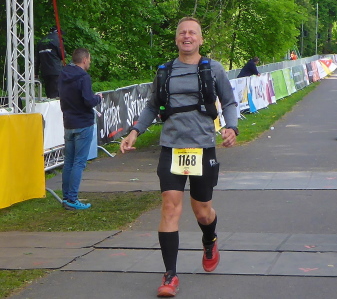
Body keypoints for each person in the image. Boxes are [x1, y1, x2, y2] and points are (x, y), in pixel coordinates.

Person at [119, 17, 239, 298]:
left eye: (192, 33)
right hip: (171, 148)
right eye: (182, 33)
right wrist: (135, 131)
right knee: (170, 208)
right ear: (176, 39)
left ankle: (209, 239)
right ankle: (170, 275)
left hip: (202, 147)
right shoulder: (165, 71)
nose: (187, 36)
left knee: (203, 211)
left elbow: (229, 102)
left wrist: (231, 127)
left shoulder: (213, 69)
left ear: (200, 39)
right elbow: (152, 106)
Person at [59, 48, 102, 211]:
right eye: (89, 59)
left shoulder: (63, 74)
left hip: (69, 122)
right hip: (83, 123)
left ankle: (66, 196)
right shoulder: (84, 77)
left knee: (69, 161)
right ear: (84, 60)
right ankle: (72, 198)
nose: (89, 62)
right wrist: (98, 98)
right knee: (79, 162)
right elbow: (88, 100)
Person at [35, 27, 63, 98]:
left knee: (49, 94)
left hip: (45, 71)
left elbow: (37, 59)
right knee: (56, 95)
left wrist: (36, 72)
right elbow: (62, 55)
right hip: (56, 70)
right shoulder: (57, 40)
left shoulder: (41, 41)